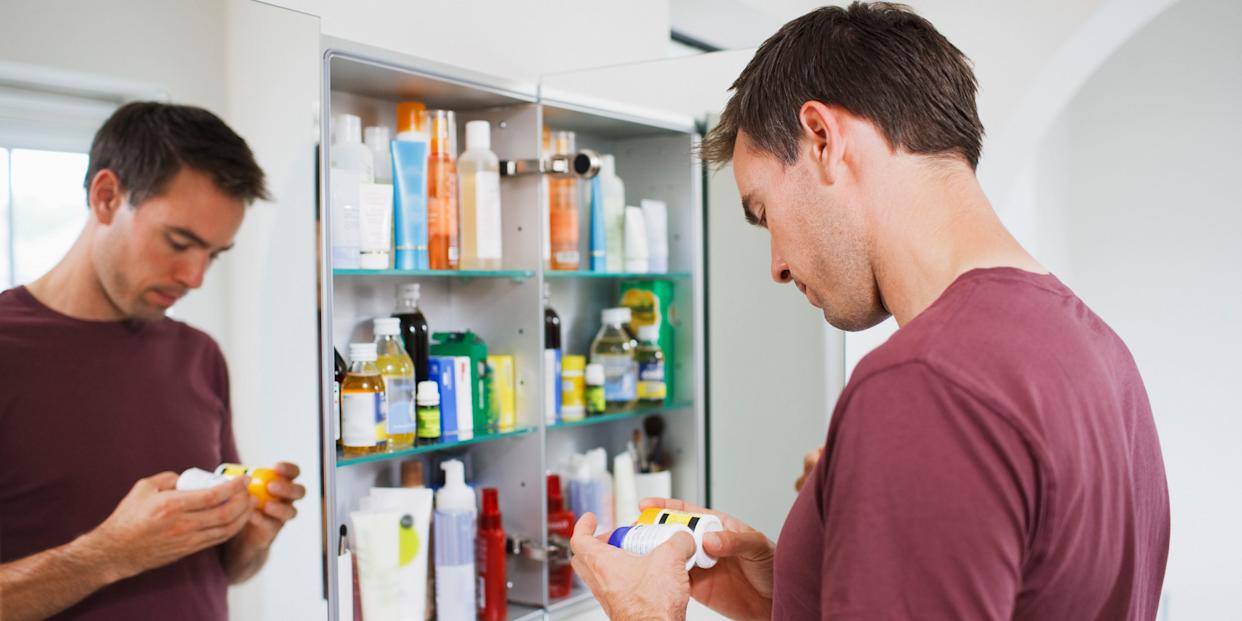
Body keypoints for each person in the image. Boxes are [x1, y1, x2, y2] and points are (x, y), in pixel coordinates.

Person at [569, 3, 1169, 620]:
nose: (775, 265)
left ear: (823, 139)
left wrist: (646, 615)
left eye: (764, 212)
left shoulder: (923, 385)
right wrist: (794, 593)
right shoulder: (1100, 352)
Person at [0, 102, 307, 621]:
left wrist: (248, 540)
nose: (195, 277)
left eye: (214, 254)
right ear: (105, 197)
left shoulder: (200, 356)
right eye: (179, 242)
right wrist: (109, 555)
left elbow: (221, 572)